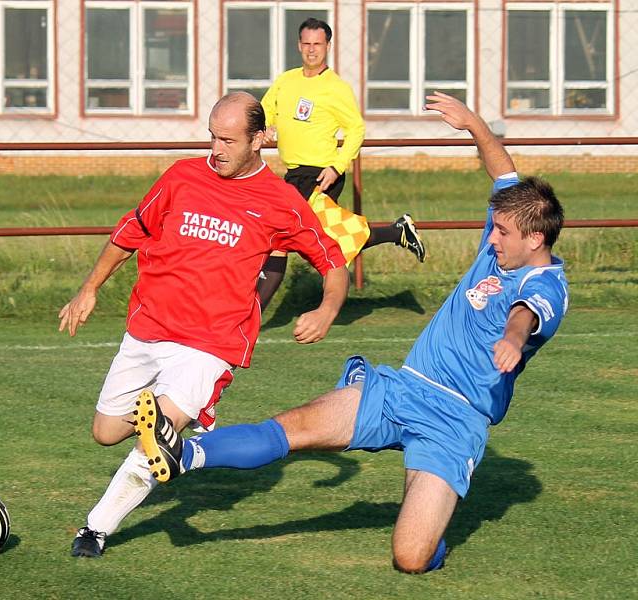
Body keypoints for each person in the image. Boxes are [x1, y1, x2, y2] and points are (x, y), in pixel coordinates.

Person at [134, 92, 569, 573]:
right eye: (495, 226)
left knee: (410, 557)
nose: (491, 238)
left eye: (502, 232)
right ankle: (185, 452)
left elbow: (527, 312)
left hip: (456, 421)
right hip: (404, 387)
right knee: (295, 428)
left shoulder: (547, 283)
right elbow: (503, 170)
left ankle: (430, 530)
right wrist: (473, 125)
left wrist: (512, 339)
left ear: (536, 239)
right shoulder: (510, 233)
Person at [58, 92, 349, 558]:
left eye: (229, 140)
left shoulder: (280, 201)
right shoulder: (182, 176)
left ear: (259, 139)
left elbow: (333, 261)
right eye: (213, 136)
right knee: (106, 431)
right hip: (149, 326)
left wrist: (328, 309)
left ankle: (95, 529)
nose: (217, 149)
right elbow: (131, 230)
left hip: (209, 344)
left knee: (157, 436)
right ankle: (178, 430)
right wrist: (89, 287)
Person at [257, 17, 425, 307]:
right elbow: (264, 110)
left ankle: (251, 313)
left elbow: (356, 129)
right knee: (317, 238)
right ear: (299, 45)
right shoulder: (286, 81)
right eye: (306, 44)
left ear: (328, 47)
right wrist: (265, 127)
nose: (311, 50)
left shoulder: (336, 88)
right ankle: (397, 232)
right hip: (293, 175)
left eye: (317, 44)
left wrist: (336, 166)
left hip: (320, 174)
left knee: (277, 237)